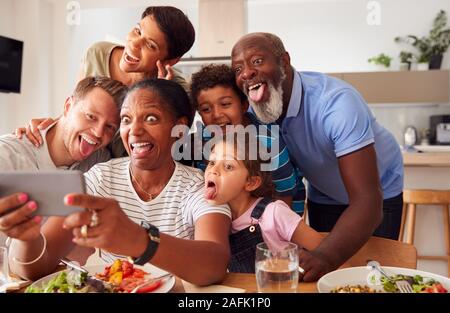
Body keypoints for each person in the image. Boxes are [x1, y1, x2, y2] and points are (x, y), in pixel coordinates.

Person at [6, 79, 231, 286]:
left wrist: (140, 241)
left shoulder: (199, 186)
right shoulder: (99, 179)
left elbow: (215, 264)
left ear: (179, 130)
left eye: (151, 118)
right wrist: (28, 239)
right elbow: (36, 268)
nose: (134, 130)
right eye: (126, 120)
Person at [231, 32, 404, 281]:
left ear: (284, 61)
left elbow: (368, 200)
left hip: (378, 194)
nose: (246, 73)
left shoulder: (336, 104)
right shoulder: (259, 110)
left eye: (257, 61)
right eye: (238, 69)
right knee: (326, 280)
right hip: (324, 193)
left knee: (374, 277)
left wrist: (325, 256)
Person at [16, 5, 195, 158]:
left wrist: (161, 97)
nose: (133, 44)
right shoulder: (97, 54)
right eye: (138, 31)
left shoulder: (179, 91)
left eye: (150, 45)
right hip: (89, 158)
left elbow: (169, 152)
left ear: (170, 61)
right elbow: (78, 107)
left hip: (128, 172)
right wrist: (47, 128)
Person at [0, 75, 126, 244]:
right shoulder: (7, 154)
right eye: (91, 116)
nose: (98, 133)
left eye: (110, 127)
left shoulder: (100, 162)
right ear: (68, 107)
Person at [188, 63, 305, 213]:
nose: (216, 115)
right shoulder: (202, 141)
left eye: (225, 104)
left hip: (275, 214)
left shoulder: (268, 141)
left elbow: (285, 193)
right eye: (206, 109)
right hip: (230, 213)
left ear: (244, 105)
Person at [204, 132, 323, 273]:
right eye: (212, 162)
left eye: (228, 166)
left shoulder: (274, 213)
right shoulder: (212, 221)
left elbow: (324, 251)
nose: (213, 171)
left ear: (251, 182)